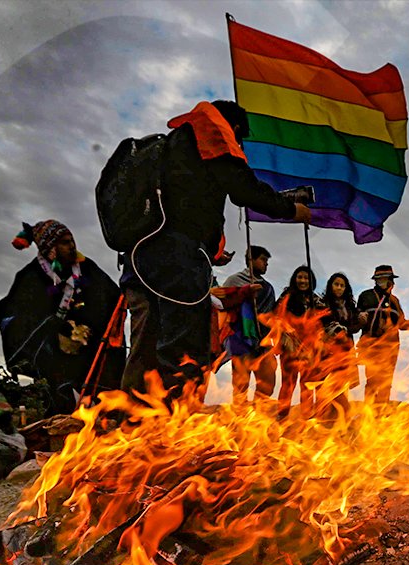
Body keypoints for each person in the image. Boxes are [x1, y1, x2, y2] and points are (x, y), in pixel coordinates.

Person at [119, 100, 311, 397]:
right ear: (233, 128)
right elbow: (244, 189)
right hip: (176, 262)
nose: (239, 145)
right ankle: (170, 423)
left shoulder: (172, 147)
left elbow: (185, 205)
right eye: (240, 138)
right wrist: (291, 209)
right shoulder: (211, 135)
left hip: (140, 260)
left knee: (145, 342)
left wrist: (210, 248)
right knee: (182, 346)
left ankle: (130, 421)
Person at [0, 220, 124, 415]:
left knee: (105, 392)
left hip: (89, 346)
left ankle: (105, 422)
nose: (72, 246)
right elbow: (15, 315)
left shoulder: (87, 268)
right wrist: (58, 329)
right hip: (51, 349)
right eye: (65, 242)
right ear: (51, 248)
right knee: (56, 395)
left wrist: (86, 327)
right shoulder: (31, 277)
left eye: (72, 240)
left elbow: (112, 297)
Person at [222, 245, 280, 407]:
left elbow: (271, 315)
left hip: (263, 343)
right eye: (262, 260)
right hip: (241, 340)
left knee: (267, 385)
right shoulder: (234, 281)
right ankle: (240, 422)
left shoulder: (268, 288)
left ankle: (258, 418)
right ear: (250, 260)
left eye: (267, 261)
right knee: (240, 387)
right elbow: (222, 305)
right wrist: (243, 295)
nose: (266, 264)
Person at [275, 265, 326, 413]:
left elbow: (324, 319)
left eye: (306, 278)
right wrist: (286, 332)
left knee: (307, 384)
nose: (303, 281)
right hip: (290, 346)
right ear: (294, 279)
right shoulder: (286, 296)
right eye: (300, 277)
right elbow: (277, 316)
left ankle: (307, 416)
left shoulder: (315, 299)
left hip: (309, 348)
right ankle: (282, 416)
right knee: (288, 383)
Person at [356, 266, 407, 404]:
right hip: (372, 346)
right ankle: (369, 415)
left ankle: (381, 415)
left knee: (386, 382)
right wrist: (360, 317)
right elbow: (356, 318)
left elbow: (402, 324)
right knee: (372, 381)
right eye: (385, 279)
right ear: (378, 280)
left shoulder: (395, 301)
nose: (390, 283)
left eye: (389, 279)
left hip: (391, 348)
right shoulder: (366, 296)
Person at [319, 271, 362, 414]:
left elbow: (355, 327)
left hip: (346, 350)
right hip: (328, 351)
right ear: (330, 286)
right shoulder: (323, 304)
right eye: (336, 284)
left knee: (342, 386)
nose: (339, 288)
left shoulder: (350, 307)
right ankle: (333, 418)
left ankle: (339, 420)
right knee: (330, 387)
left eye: (342, 286)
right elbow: (322, 325)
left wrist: (356, 323)